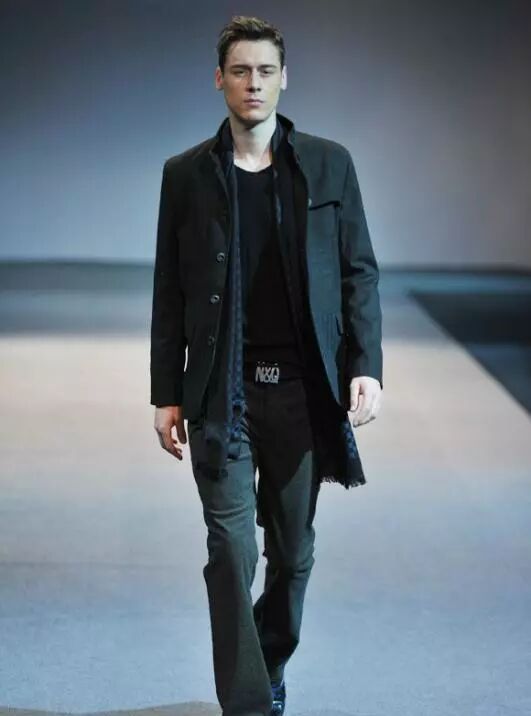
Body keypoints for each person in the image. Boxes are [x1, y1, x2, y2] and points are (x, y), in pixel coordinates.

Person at [150, 15, 383, 716]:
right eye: (240, 71)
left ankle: (269, 660)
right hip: (222, 391)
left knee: (293, 555)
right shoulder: (186, 175)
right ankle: (250, 705)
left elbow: (358, 271)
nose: (253, 83)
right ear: (219, 79)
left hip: (302, 392)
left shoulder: (329, 164)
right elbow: (169, 287)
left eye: (265, 71)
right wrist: (165, 392)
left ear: (284, 79)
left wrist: (365, 364)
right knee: (230, 551)